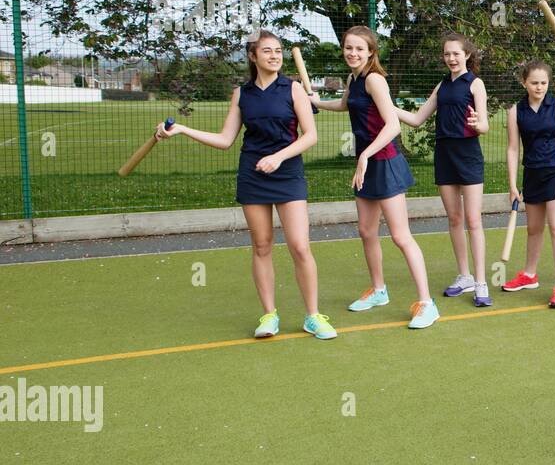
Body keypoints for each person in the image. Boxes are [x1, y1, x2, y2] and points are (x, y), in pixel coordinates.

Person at [155, 29, 336, 340]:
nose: (275, 56)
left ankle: (312, 316)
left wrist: (278, 157)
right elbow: (225, 140)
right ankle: (269, 316)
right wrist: (183, 129)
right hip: (253, 175)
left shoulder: (293, 89)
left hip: (288, 174)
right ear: (253, 56)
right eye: (267, 51)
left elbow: (310, 136)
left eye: (278, 50)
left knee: (300, 246)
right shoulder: (242, 94)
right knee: (262, 245)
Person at [308, 26, 438, 328]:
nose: (352, 53)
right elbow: (343, 105)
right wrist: (315, 102)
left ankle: (427, 303)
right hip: (365, 163)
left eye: (358, 49)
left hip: (384, 162)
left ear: (370, 52)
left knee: (400, 236)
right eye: (348, 48)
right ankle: (379, 290)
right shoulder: (353, 79)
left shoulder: (375, 80)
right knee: (366, 231)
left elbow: (393, 125)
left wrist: (366, 155)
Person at [397, 33, 492, 307]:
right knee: (454, 219)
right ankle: (465, 276)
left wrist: (477, 124)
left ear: (467, 55)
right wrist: (386, 107)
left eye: (456, 54)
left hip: (468, 154)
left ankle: (482, 281)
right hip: (445, 154)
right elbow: (416, 119)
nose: (451, 58)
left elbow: (484, 125)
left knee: (473, 221)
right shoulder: (442, 86)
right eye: (447, 54)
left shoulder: (476, 84)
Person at [503, 60, 555, 308]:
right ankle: (529, 275)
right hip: (532, 174)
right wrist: (512, 184)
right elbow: (513, 149)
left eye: (543, 83)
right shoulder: (516, 111)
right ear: (524, 82)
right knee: (533, 229)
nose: (539, 87)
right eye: (534, 83)